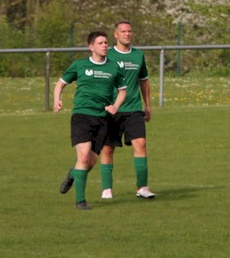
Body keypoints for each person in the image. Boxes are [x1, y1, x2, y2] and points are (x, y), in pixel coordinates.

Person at [54, 31, 127, 210]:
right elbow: (61, 83)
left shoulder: (113, 67)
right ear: (91, 47)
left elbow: (123, 90)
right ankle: (80, 201)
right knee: (84, 155)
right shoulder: (80, 65)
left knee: (90, 162)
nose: (105, 46)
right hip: (82, 116)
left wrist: (115, 106)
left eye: (106, 43)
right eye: (101, 43)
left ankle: (72, 174)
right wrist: (57, 100)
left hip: (103, 118)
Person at [100, 20, 155, 200]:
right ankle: (107, 189)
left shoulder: (138, 55)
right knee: (108, 148)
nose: (127, 34)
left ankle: (142, 187)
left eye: (129, 31)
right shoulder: (107, 55)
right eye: (123, 31)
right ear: (115, 35)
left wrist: (147, 105)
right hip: (111, 110)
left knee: (141, 144)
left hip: (133, 109)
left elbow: (144, 81)